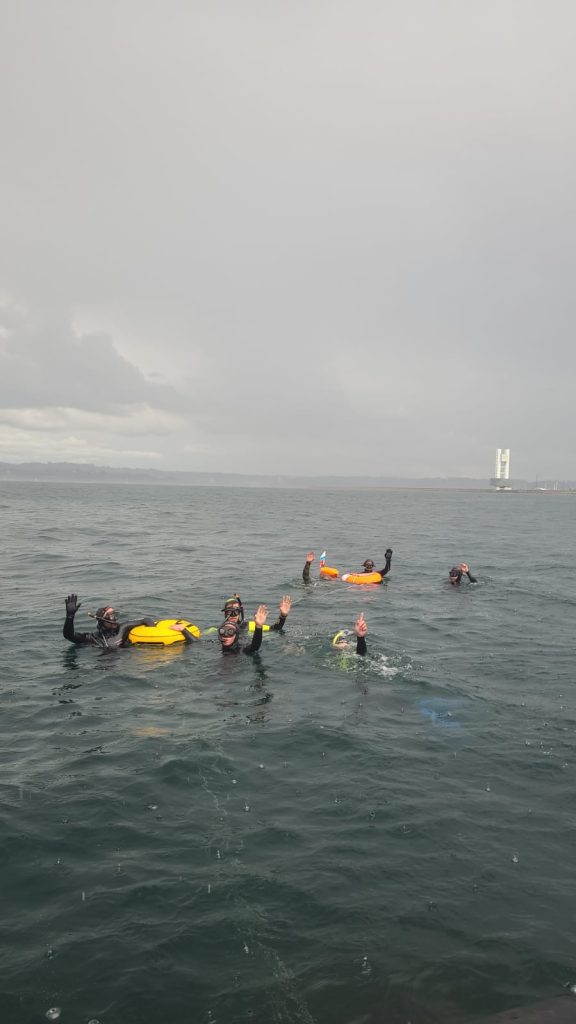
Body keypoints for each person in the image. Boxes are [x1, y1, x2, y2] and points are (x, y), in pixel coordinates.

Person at [171, 595, 293, 652]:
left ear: (240, 613)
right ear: (225, 613)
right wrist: (183, 629)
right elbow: (198, 642)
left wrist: (283, 616)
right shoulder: (216, 630)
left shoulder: (249, 625)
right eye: (230, 612)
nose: (233, 615)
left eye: (236, 612)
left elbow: (276, 629)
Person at [62, 594, 155, 648]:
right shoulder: (93, 639)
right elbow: (69, 635)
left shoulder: (122, 628)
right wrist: (70, 616)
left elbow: (145, 620)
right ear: (102, 620)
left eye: (115, 615)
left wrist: (153, 632)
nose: (114, 618)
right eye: (110, 616)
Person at [303, 550, 393, 583]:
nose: (369, 567)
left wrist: (388, 560)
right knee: (330, 578)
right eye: (367, 565)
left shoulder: (377, 573)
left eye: (370, 565)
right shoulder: (358, 574)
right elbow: (348, 578)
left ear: (373, 566)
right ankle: (323, 571)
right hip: (355, 585)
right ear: (364, 566)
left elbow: (387, 569)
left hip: (370, 591)